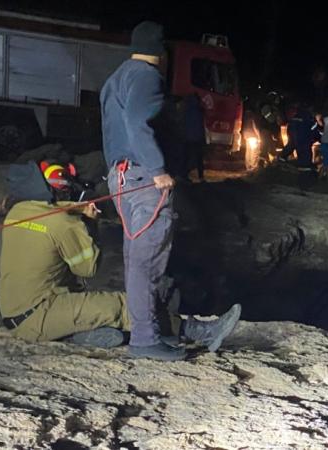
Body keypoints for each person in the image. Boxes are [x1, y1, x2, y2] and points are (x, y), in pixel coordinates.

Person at [0, 161, 242, 351]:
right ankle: (199, 331)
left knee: (90, 305)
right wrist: (88, 224)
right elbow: (88, 269)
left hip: (14, 314)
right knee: (125, 304)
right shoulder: (63, 223)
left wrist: (74, 210)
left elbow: (50, 218)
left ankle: (75, 335)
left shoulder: (16, 213)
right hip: (39, 314)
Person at [100, 21, 185, 360]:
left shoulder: (116, 76)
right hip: (142, 178)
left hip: (121, 177)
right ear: (161, 52)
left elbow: (116, 127)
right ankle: (146, 340)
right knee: (147, 258)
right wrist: (158, 170)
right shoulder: (146, 76)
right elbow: (138, 122)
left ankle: (146, 332)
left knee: (135, 256)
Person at [183, 94, 206, 182]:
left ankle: (185, 176)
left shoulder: (186, 111)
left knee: (187, 158)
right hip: (197, 138)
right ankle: (201, 176)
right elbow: (201, 126)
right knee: (199, 158)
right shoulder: (199, 111)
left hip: (188, 138)